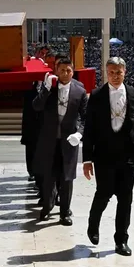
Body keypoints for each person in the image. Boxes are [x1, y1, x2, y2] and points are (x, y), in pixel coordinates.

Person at [82, 56, 134, 256]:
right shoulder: (96, 96)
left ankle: (121, 240)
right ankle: (93, 223)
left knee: (125, 199)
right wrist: (87, 160)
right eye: (111, 72)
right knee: (103, 194)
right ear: (106, 73)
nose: (115, 76)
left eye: (118, 72)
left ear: (124, 72)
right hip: (103, 156)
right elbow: (89, 130)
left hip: (128, 157)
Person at [32, 57, 87, 225]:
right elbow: (36, 106)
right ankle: (47, 207)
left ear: (73, 71)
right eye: (62, 70)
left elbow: (85, 119)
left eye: (68, 70)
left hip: (69, 142)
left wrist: (79, 134)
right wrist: (46, 89)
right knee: (49, 176)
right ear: (56, 70)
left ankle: (64, 212)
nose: (65, 74)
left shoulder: (80, 91)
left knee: (67, 178)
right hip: (49, 140)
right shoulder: (48, 87)